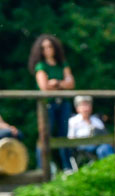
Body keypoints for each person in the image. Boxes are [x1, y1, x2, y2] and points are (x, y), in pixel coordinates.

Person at [28, 34, 75, 171]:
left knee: (64, 135)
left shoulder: (62, 63)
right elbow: (44, 86)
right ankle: (42, 167)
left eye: (50, 46)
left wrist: (56, 83)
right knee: (45, 135)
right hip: (48, 104)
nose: (47, 50)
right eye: (44, 48)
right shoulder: (41, 65)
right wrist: (62, 84)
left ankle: (67, 167)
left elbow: (71, 83)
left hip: (63, 102)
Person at [67, 95, 115, 162]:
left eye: (88, 105)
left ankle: (111, 165)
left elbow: (105, 134)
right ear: (77, 108)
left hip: (99, 144)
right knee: (103, 148)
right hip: (82, 146)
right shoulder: (73, 121)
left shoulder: (96, 120)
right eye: (83, 105)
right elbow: (70, 138)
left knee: (104, 148)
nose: (86, 108)